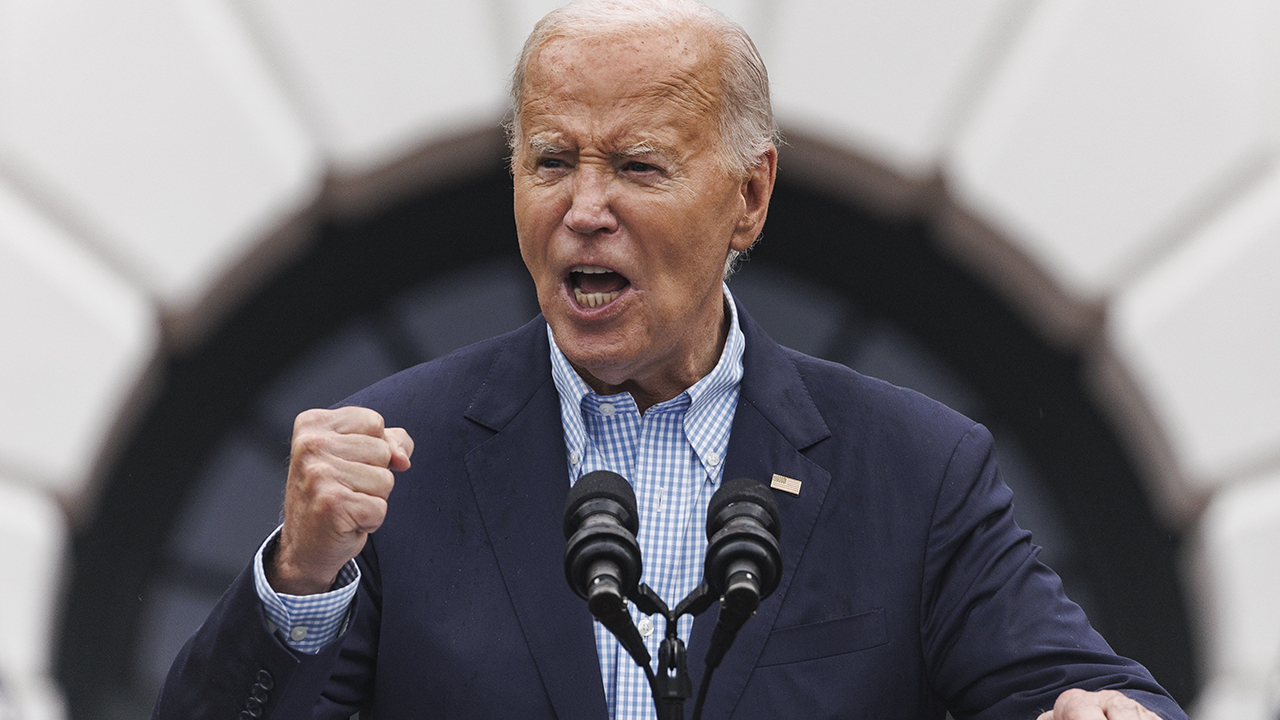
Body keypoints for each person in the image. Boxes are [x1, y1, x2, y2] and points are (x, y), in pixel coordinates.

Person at [152, 1, 1189, 719]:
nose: (584, 210)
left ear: (748, 195)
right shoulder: (394, 468)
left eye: (637, 166)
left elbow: (1088, 690)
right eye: (550, 161)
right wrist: (299, 577)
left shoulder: (911, 471)